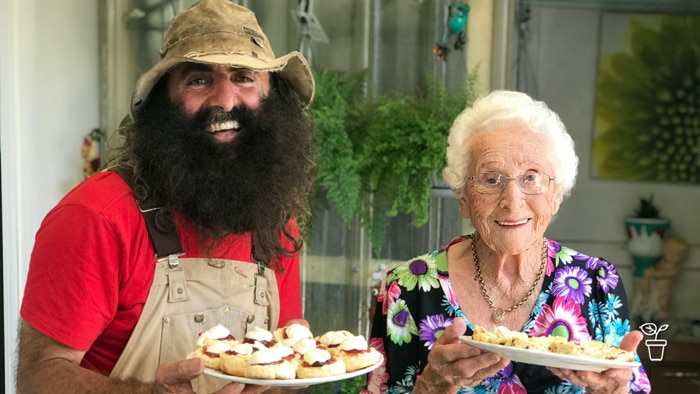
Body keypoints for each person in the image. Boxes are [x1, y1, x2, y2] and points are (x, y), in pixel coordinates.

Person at [16, 0, 315, 393]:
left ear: (273, 98)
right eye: (198, 80)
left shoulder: (274, 222)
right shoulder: (96, 216)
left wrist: (295, 368)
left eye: (244, 77)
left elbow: (275, 365)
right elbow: (37, 379)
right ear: (163, 103)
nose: (225, 100)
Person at [365, 90, 651, 393]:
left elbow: (624, 384)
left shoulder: (596, 283)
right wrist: (429, 390)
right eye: (491, 180)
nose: (513, 202)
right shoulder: (409, 287)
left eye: (531, 178)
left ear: (556, 195)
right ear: (463, 197)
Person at [640, 236, 687, 320]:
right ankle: (647, 315)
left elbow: (666, 274)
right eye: (670, 252)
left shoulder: (675, 268)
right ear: (664, 251)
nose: (673, 256)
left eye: (677, 255)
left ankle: (663, 318)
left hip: (664, 291)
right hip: (654, 288)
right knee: (647, 298)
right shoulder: (659, 262)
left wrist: (655, 273)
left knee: (663, 304)